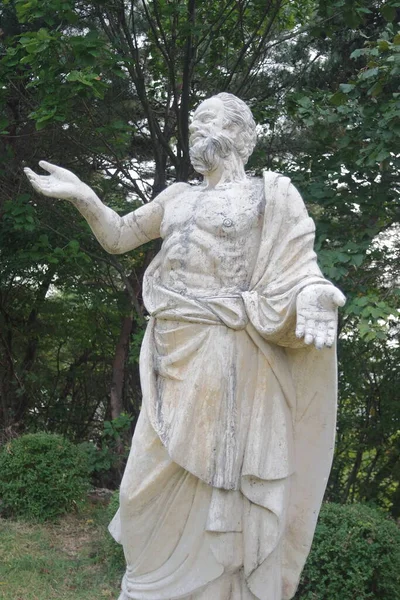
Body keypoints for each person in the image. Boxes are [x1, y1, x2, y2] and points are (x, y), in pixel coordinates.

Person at [25, 92, 345, 600]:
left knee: (222, 479)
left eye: (209, 120)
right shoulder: (177, 195)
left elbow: (300, 269)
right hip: (170, 347)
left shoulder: (271, 196)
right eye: (193, 122)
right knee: (137, 489)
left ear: (242, 133)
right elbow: (119, 235)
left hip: (229, 351)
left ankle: (217, 589)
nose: (196, 128)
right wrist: (84, 196)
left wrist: (316, 294)